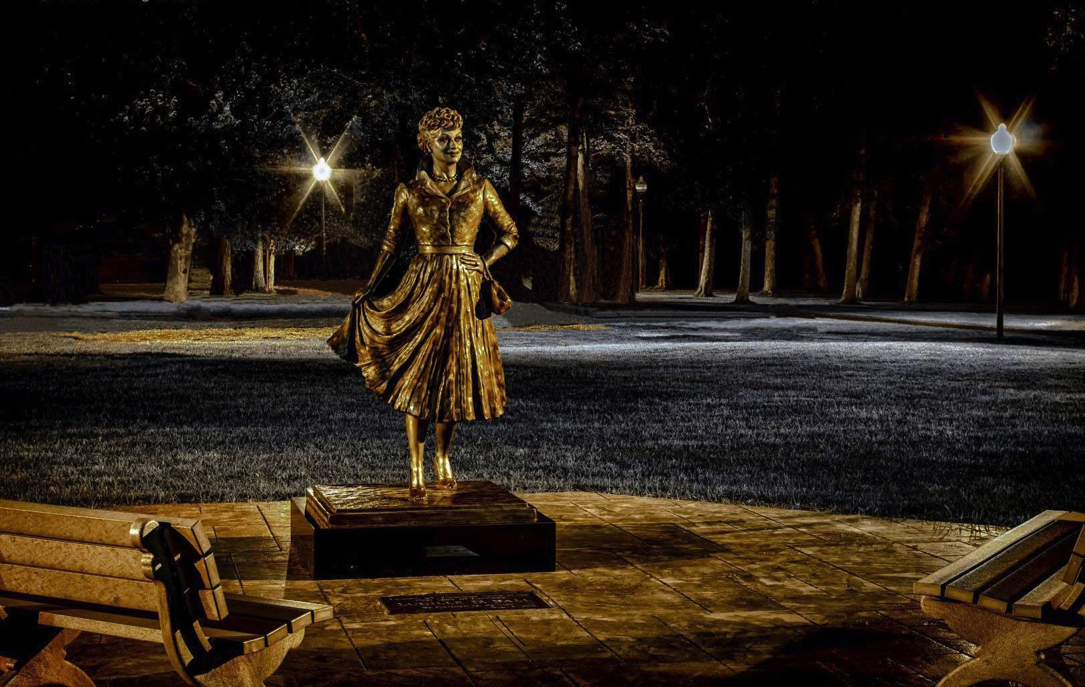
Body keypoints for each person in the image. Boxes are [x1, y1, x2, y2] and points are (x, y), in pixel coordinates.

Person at [327, 107, 518, 501]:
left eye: (458, 138)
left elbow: (510, 231)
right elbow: (390, 244)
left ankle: (443, 458)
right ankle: (415, 465)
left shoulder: (479, 187)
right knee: (418, 376)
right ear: (426, 144)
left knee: (455, 378)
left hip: (466, 290)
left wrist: (485, 259)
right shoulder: (409, 191)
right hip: (423, 287)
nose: (453, 145)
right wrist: (370, 286)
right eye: (444, 139)